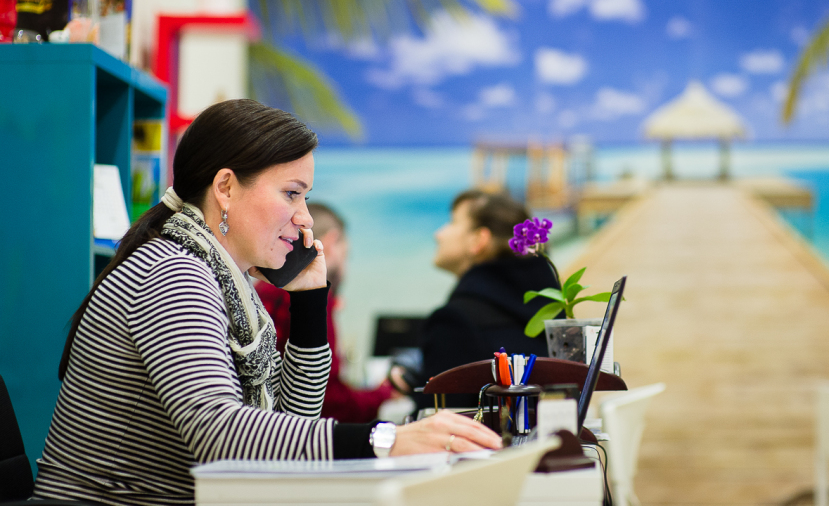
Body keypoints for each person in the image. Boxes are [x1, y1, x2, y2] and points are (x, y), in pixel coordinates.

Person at [33, 100, 500, 505]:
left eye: (306, 197)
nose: (305, 218)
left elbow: (291, 422)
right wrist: (388, 439)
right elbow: (219, 435)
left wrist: (310, 304)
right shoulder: (174, 273)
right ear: (225, 188)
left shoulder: (227, 280)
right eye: (291, 194)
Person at [391, 190, 560, 409]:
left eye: (452, 222)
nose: (438, 234)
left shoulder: (454, 321)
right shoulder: (552, 310)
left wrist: (411, 387)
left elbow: (436, 415)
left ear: (478, 240)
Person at [256, 202, 396, 423]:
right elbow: (328, 401)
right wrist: (385, 393)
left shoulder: (265, 289)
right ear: (331, 242)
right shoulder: (304, 294)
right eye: (347, 255)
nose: (346, 267)